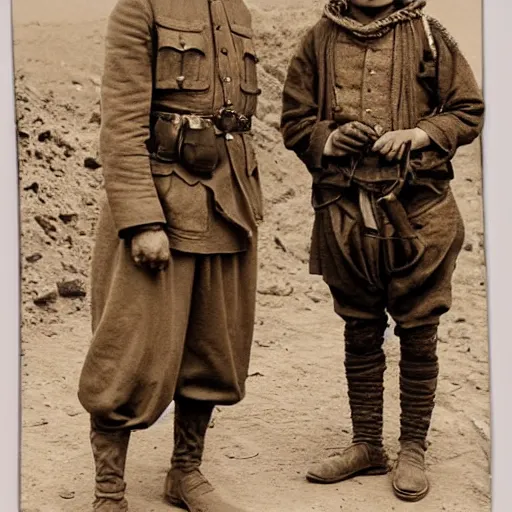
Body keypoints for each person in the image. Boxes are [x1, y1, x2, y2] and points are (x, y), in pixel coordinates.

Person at [281, 0, 484, 502]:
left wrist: (419, 134)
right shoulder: (318, 39)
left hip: (421, 210)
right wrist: (330, 138)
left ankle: (413, 446)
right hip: (344, 210)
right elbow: (293, 120)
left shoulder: (429, 34)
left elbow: (467, 110)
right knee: (360, 325)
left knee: (419, 328)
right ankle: (367, 444)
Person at [77, 0, 263, 510]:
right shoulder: (140, 7)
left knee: (214, 347)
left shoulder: (238, 10)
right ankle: (109, 491)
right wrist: (142, 220)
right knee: (131, 349)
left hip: (230, 205)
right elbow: (121, 122)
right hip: (161, 207)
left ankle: (185, 472)